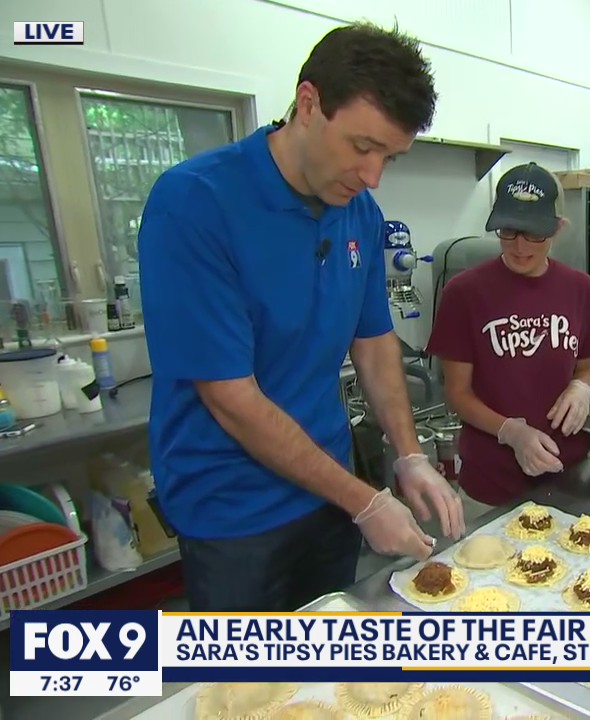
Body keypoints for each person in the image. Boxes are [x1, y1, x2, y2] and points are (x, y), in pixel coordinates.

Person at [137, 22, 464, 613]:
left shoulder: (357, 211)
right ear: (308, 104)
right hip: (233, 512)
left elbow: (374, 342)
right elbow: (230, 396)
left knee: (327, 674)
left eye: (389, 156)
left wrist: (408, 452)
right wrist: (366, 501)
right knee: (249, 692)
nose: (372, 176)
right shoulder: (196, 203)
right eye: (363, 147)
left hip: (326, 494)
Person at [426, 163, 590, 518]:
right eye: (509, 231)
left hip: (568, 478)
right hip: (492, 487)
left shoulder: (579, 289)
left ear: (557, 228)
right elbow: (457, 393)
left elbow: (585, 368)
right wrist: (510, 432)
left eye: (534, 234)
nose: (520, 246)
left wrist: (581, 390)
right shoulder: (464, 293)